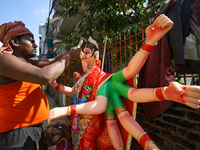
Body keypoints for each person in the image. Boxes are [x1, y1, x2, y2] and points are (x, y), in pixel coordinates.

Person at [48, 14, 200, 150]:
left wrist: (150, 42)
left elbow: (127, 74)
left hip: (90, 129)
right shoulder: (83, 78)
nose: (83, 57)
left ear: (96, 58)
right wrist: (55, 85)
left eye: (86, 53)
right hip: (77, 125)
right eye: (82, 54)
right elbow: (73, 92)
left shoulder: (103, 78)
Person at [0, 21, 80, 150]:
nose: (35, 44)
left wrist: (72, 53)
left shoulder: (28, 62)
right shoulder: (4, 60)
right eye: (31, 41)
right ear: (15, 42)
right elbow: (45, 76)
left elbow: (52, 61)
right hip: (14, 135)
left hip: (32, 130)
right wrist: (69, 56)